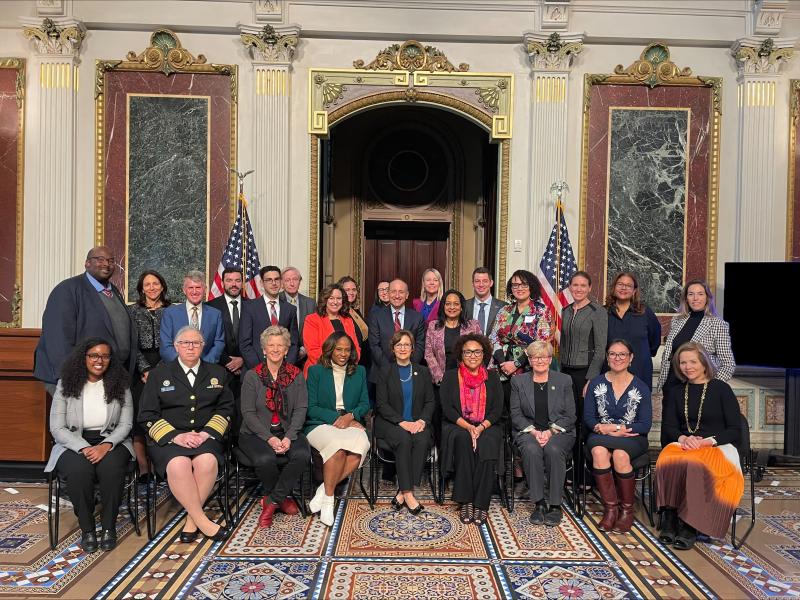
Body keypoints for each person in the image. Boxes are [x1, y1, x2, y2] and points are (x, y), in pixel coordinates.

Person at [139, 326, 234, 542]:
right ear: (176, 346)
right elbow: (147, 414)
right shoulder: (158, 375)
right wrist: (176, 436)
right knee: (178, 464)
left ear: (203, 346)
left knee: (207, 461)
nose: (190, 347)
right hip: (169, 439)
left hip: (205, 436)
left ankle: (192, 521)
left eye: (196, 343)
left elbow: (226, 409)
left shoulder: (217, 373)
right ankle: (203, 521)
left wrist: (206, 433)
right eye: (185, 343)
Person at [44, 338, 134, 553]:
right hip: (73, 442)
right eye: (94, 355)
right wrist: (84, 447)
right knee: (79, 471)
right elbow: (57, 428)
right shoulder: (65, 384)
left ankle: (109, 528)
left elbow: (126, 424)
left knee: (112, 469)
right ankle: (88, 529)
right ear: (83, 358)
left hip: (112, 440)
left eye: (104, 356)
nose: (99, 360)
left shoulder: (121, 384)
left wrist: (106, 445)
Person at [656, 342, 743, 549]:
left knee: (694, 464)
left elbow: (734, 429)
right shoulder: (677, 392)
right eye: (683, 362)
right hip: (685, 444)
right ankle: (669, 515)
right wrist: (684, 439)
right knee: (666, 459)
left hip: (716, 446)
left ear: (704, 363)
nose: (688, 367)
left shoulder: (721, 388)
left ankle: (689, 524)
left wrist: (707, 441)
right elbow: (668, 427)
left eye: (693, 361)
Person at [35, 246, 137, 394]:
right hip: (78, 379)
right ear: (87, 263)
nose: (106, 264)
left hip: (110, 376)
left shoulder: (113, 292)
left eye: (110, 261)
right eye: (100, 259)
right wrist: (70, 378)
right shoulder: (67, 289)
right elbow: (58, 339)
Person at [238, 326, 310, 528]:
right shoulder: (252, 376)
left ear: (287, 350)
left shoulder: (296, 375)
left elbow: (301, 409)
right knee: (265, 458)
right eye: (271, 345)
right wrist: (269, 438)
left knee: (302, 455)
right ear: (264, 349)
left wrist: (288, 437)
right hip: (256, 433)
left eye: (280, 345)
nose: (276, 349)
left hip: (287, 431)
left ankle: (270, 503)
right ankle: (283, 499)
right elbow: (248, 413)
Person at [584, 339, 653, 533]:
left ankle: (626, 511)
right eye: (613, 354)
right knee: (598, 451)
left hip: (632, 437)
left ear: (630, 358)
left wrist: (615, 428)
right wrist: (602, 428)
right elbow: (588, 418)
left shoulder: (641, 387)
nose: (617, 358)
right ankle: (610, 510)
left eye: (622, 354)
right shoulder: (596, 383)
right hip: (600, 435)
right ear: (607, 358)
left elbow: (645, 424)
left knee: (620, 455)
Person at [305, 332, 370, 526]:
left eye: (347, 350)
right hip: (320, 423)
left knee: (362, 445)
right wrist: (338, 418)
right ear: (330, 350)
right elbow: (311, 407)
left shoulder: (359, 371)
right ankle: (329, 501)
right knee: (337, 448)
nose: (343, 353)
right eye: (339, 349)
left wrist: (351, 416)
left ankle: (324, 490)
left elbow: (365, 403)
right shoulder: (316, 371)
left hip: (349, 420)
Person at [440, 333, 503, 525]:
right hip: (458, 424)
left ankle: (481, 503)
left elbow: (497, 409)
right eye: (468, 352)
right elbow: (447, 408)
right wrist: (469, 428)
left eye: (477, 352)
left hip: (487, 425)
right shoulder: (451, 376)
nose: (473, 355)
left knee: (488, 442)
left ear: (484, 354)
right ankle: (466, 500)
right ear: (461, 354)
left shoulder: (492, 377)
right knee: (463, 440)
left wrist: (481, 427)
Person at [510, 341, 576, 527]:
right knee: (531, 450)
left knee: (553, 450)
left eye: (544, 357)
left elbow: (571, 415)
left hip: (559, 432)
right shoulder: (518, 381)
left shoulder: (564, 380)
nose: (540, 360)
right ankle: (539, 504)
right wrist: (533, 432)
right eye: (535, 357)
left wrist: (550, 432)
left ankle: (555, 505)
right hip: (528, 431)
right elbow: (515, 414)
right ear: (529, 360)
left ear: (550, 359)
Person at [375, 330, 435, 514]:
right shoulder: (385, 371)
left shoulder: (423, 371)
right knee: (405, 439)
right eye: (399, 345)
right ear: (393, 349)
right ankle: (409, 494)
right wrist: (402, 422)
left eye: (406, 344)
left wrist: (423, 421)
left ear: (412, 348)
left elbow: (430, 401)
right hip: (390, 423)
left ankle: (401, 492)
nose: (403, 348)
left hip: (418, 422)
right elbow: (382, 404)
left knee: (423, 439)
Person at [655, 280, 735, 397]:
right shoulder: (677, 321)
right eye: (691, 294)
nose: (695, 298)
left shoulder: (718, 324)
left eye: (700, 294)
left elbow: (728, 364)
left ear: (707, 298)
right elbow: (669, 354)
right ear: (686, 298)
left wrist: (711, 386)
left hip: (698, 388)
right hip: (671, 385)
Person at [128, 270, 171, 478]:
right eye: (147, 284)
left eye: (156, 283)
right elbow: (131, 345)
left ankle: (160, 465)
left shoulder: (172, 311)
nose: (152, 287)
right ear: (141, 288)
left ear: (162, 286)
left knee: (161, 415)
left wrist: (158, 370)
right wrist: (144, 369)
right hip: (139, 369)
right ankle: (143, 468)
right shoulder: (132, 312)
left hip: (166, 367)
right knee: (139, 417)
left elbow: (173, 343)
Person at [490, 270, 554, 408]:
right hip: (501, 369)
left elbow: (541, 343)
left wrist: (516, 364)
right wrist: (503, 363)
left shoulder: (541, 311)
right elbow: (494, 337)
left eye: (524, 284)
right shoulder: (504, 310)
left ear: (531, 286)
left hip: (528, 369)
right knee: (502, 410)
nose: (519, 288)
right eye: (515, 285)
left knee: (524, 410)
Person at [604, 272, 661, 390]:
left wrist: (640, 355)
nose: (623, 288)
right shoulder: (603, 313)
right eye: (620, 284)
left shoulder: (645, 312)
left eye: (628, 285)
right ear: (614, 287)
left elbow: (655, 340)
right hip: (610, 372)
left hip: (640, 371)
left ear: (634, 291)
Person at [240, 266, 299, 369]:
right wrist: (261, 369)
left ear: (281, 282)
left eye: (277, 279)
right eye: (269, 280)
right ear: (262, 283)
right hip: (256, 370)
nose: (274, 283)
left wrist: (285, 367)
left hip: (283, 370)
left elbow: (294, 343)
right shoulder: (249, 307)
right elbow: (245, 343)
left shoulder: (290, 309)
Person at [368, 278, 425, 385]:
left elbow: (420, 345)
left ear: (407, 295)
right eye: (393, 291)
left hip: (410, 374)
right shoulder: (375, 316)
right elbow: (374, 346)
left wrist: (407, 367)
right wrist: (390, 369)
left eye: (401, 292)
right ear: (388, 294)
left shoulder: (417, 318)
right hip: (382, 374)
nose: (397, 296)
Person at [159, 271, 225, 363]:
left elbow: (219, 343)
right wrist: (182, 366)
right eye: (190, 287)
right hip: (176, 370)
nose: (194, 291)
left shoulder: (215, 314)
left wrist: (204, 366)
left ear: (205, 289)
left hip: (206, 369)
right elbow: (165, 345)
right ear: (184, 290)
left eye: (198, 287)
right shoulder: (170, 313)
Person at [424, 289, 481, 385]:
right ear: (443, 306)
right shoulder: (433, 326)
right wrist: (440, 377)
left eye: (456, 304)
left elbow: (481, 351)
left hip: (468, 380)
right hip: (442, 381)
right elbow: (429, 354)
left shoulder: (473, 326)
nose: (452, 307)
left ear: (462, 307)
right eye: (448, 304)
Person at [303, 283, 361, 376]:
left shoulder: (348, 320)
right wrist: (335, 365)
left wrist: (349, 364)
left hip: (346, 371)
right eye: (331, 298)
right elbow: (312, 351)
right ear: (325, 300)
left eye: (338, 298)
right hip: (320, 371)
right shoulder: (312, 319)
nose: (335, 302)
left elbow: (356, 348)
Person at [205, 267, 246, 382]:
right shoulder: (209, 307)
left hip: (247, 371)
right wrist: (227, 361)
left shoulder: (252, 306)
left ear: (242, 283)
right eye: (229, 280)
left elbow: (256, 338)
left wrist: (243, 360)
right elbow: (208, 339)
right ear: (222, 283)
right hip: (219, 369)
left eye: (237, 280)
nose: (234, 284)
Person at [280, 266, 316, 365]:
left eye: (295, 279)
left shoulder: (310, 303)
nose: (292, 283)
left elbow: (314, 330)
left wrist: (305, 349)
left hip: (305, 358)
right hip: (280, 356)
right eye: (287, 280)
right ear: (282, 283)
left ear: (300, 281)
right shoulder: (276, 301)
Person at [338, 276, 370, 370]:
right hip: (351, 363)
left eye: (354, 289)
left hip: (364, 362)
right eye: (347, 290)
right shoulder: (340, 312)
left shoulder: (355, 311)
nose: (351, 292)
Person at [464, 267, 507, 335]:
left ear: (491, 283)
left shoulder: (503, 307)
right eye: (477, 281)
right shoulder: (464, 306)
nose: (481, 285)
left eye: (485, 281)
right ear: (473, 283)